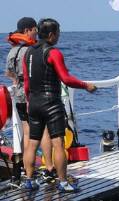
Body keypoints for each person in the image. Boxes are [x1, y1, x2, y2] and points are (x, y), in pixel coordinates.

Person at [22, 18, 97, 192]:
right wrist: (86, 86)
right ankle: (63, 182)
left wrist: (29, 101)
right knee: (58, 143)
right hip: (51, 103)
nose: (58, 37)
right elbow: (66, 78)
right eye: (58, 34)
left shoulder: (28, 53)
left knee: (33, 143)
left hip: (33, 102)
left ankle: (29, 180)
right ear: (51, 34)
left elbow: (26, 82)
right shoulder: (53, 52)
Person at [5, 17, 56, 182]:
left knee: (27, 132)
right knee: (44, 132)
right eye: (35, 30)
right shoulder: (31, 50)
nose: (37, 33)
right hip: (33, 95)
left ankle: (28, 171)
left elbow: (9, 73)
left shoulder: (13, 51)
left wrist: (16, 81)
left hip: (18, 94)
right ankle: (49, 167)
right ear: (27, 31)